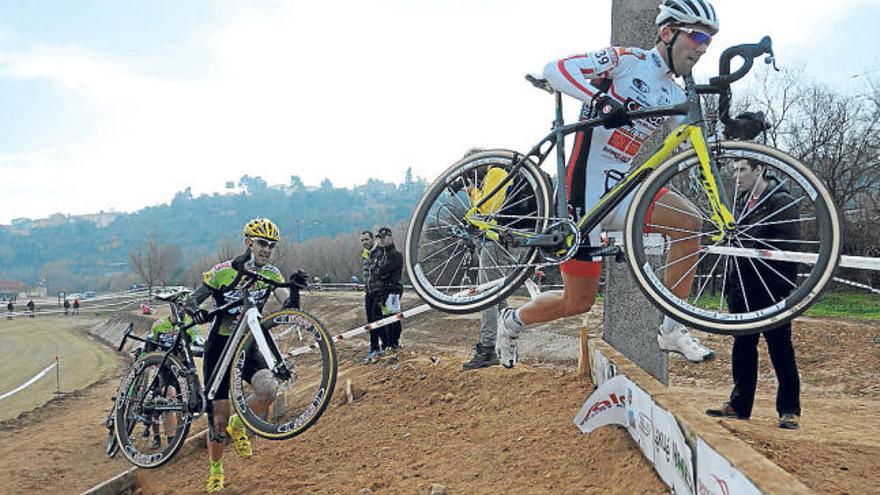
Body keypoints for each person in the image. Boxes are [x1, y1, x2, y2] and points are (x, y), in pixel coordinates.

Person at [495, 0, 719, 368]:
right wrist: (600, 100)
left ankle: (673, 329)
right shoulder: (627, 60)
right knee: (577, 302)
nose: (702, 47)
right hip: (584, 193)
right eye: (696, 35)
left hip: (624, 189)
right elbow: (556, 69)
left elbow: (698, 153)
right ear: (667, 32)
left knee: (689, 224)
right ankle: (512, 322)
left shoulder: (674, 94)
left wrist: (734, 132)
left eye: (708, 40)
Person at [183, 218, 295, 493]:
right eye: (261, 243)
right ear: (248, 243)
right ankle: (216, 470)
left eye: (271, 245)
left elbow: (287, 305)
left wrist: (296, 289)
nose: (267, 249)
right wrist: (195, 311)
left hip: (249, 344)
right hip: (220, 346)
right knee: (218, 418)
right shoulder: (225, 271)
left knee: (268, 391)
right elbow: (191, 300)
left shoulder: (271, 272)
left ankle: (239, 423)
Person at [706, 159, 802, 429]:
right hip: (741, 285)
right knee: (743, 345)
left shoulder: (780, 200)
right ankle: (739, 405)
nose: (736, 176)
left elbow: (788, 248)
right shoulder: (741, 201)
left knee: (780, 348)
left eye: (742, 170)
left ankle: (789, 410)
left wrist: (784, 290)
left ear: (759, 169)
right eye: (734, 170)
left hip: (771, 288)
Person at [147, 301, 205, 450]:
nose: (181, 310)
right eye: (178, 307)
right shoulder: (159, 325)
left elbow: (199, 345)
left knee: (183, 402)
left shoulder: (190, 325)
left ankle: (177, 437)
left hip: (183, 367)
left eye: (183, 307)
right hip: (164, 368)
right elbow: (150, 347)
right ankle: (162, 438)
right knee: (161, 398)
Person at [366, 226, 404, 362]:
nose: (382, 240)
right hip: (384, 290)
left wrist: (380, 272)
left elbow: (383, 271)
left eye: (384, 238)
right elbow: (377, 271)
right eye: (380, 238)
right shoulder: (382, 254)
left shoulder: (395, 254)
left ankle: (394, 343)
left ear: (390, 237)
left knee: (392, 317)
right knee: (382, 316)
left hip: (393, 289)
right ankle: (387, 344)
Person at [360, 230, 387, 363]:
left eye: (366, 239)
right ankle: (374, 346)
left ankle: (386, 345)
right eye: (362, 240)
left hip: (379, 291)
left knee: (379, 318)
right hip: (369, 291)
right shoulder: (365, 253)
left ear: (372, 239)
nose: (364, 242)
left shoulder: (381, 251)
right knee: (370, 320)